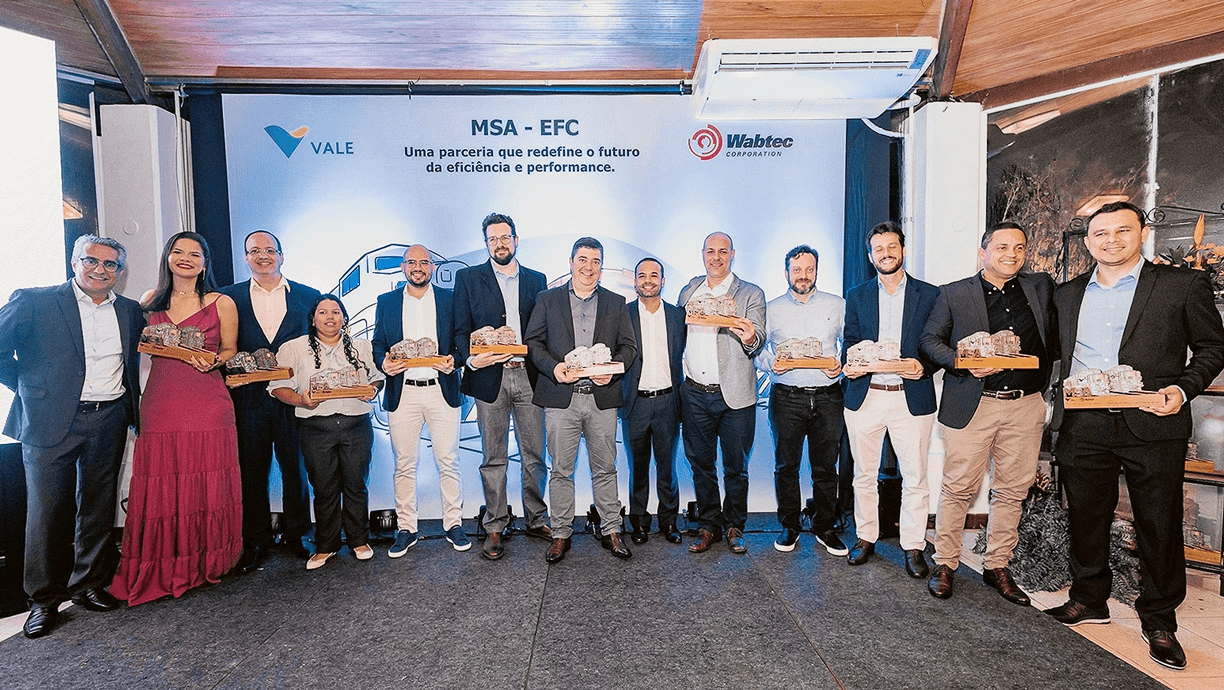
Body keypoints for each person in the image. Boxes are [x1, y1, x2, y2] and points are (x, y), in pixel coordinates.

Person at [1043, 201, 1224, 671]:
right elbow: (1053, 352)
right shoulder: (1066, 293)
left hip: (1154, 421)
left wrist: (1181, 390)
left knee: (1158, 523)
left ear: (1142, 233)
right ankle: (1089, 599)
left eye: (1122, 231)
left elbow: (1212, 347)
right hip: (1084, 423)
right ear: (1088, 242)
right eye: (1100, 234)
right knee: (1085, 516)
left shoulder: (1182, 285)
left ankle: (1160, 619)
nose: (1111, 240)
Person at [0, 235, 143, 638]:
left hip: (109, 417)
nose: (100, 269)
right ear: (74, 261)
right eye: (91, 260)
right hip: (48, 421)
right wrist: (30, 390)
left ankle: (88, 585)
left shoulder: (130, 310)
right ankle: (43, 600)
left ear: (120, 271)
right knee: (46, 513)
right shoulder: (34, 301)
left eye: (111, 264)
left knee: (98, 506)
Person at [918, 222, 1056, 604]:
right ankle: (945, 563)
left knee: (1012, 491)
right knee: (957, 488)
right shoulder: (954, 293)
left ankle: (997, 565)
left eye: (1019, 248)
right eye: (1002, 247)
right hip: (973, 405)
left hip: (1025, 405)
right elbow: (929, 341)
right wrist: (962, 363)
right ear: (983, 253)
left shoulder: (1040, 288)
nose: (1011, 254)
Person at [110, 232, 244, 606]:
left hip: (207, 401)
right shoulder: (148, 301)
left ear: (205, 262)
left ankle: (207, 561)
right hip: (161, 401)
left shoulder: (221, 302)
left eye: (194, 253)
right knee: (163, 477)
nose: (185, 258)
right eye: (177, 251)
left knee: (207, 477)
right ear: (168, 258)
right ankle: (163, 563)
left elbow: (230, 350)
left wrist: (214, 360)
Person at [525, 237, 638, 563]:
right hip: (562, 400)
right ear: (571, 262)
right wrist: (554, 368)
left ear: (601, 267)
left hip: (602, 399)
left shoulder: (616, 302)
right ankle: (560, 534)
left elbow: (629, 348)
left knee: (606, 469)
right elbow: (533, 343)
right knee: (561, 471)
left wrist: (612, 372)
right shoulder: (547, 299)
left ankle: (611, 530)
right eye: (583, 259)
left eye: (596, 261)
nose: (589, 267)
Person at [841, 222, 940, 577]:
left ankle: (913, 545)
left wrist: (923, 366)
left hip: (910, 398)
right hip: (865, 397)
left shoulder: (930, 295)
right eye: (879, 249)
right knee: (863, 474)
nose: (886, 254)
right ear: (871, 257)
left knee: (916, 477)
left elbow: (937, 343)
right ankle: (866, 536)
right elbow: (850, 340)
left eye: (892, 247)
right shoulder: (857, 295)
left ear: (903, 250)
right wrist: (849, 364)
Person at [452, 213, 550, 560]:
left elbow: (544, 331)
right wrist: (470, 359)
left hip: (529, 377)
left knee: (534, 455)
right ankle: (495, 524)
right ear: (486, 244)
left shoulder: (537, 279)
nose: (500, 244)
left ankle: (537, 519)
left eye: (505, 237)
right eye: (492, 239)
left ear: (516, 240)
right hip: (488, 377)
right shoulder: (468, 278)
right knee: (493, 457)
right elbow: (459, 328)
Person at [220, 230, 320, 573]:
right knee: (251, 472)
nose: (263, 255)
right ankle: (255, 540)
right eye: (254, 251)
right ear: (245, 257)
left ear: (281, 255)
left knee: (296, 469)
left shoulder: (308, 296)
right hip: (247, 401)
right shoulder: (227, 298)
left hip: (293, 399)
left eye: (269, 250)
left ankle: (297, 534)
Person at [268, 295, 385, 570]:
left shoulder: (362, 346)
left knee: (356, 485)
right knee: (323, 488)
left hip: (356, 424)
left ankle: (359, 541)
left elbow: (377, 378)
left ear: (344, 318)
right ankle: (326, 546)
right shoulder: (293, 348)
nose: (330, 317)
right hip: (315, 427)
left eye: (336, 312)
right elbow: (277, 387)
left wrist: (373, 389)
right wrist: (301, 400)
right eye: (323, 312)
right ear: (313, 319)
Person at [371, 244, 466, 556]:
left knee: (448, 460)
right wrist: (383, 363)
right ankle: (406, 528)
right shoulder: (386, 302)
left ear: (432, 267)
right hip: (404, 391)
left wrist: (455, 360)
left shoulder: (450, 299)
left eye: (424, 262)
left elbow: (461, 339)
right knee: (404, 463)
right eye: (411, 262)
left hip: (441, 389)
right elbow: (378, 343)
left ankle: (453, 523)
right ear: (403, 267)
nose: (418, 267)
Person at [755, 245, 847, 556]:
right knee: (786, 466)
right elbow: (756, 349)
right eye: (797, 270)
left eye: (809, 269)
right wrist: (771, 363)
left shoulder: (837, 305)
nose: (803, 276)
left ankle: (825, 527)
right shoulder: (771, 308)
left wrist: (842, 364)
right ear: (786, 273)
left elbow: (851, 343)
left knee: (826, 468)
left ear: (817, 271)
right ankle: (790, 525)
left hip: (828, 397)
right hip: (787, 397)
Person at [678, 232, 766, 555]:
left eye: (723, 251)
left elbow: (759, 337)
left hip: (736, 396)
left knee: (736, 467)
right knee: (701, 465)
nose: (716, 257)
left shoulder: (751, 293)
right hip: (694, 393)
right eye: (710, 251)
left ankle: (734, 526)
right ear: (702, 254)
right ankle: (708, 525)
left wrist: (750, 336)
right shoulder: (690, 290)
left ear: (733, 254)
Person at [620, 258, 686, 545]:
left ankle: (669, 522)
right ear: (635, 281)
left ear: (663, 281)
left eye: (654, 275)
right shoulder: (622, 314)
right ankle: (639, 522)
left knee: (667, 468)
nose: (648, 280)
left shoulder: (678, 316)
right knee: (638, 468)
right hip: (635, 403)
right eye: (642, 275)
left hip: (668, 402)